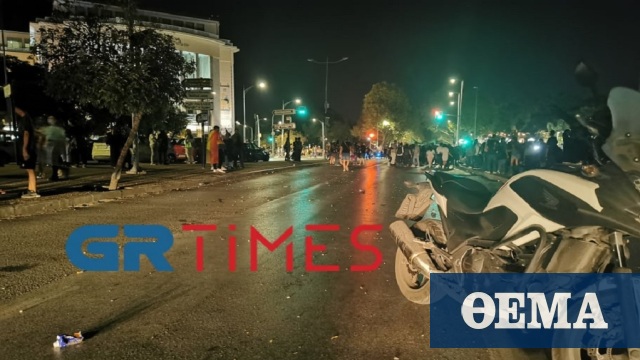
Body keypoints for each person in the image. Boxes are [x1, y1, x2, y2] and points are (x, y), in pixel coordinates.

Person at [15, 107, 40, 198]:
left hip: (29, 148)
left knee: (30, 169)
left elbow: (26, 134)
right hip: (31, 147)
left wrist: (24, 149)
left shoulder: (26, 120)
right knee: (29, 169)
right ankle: (31, 189)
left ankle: (33, 191)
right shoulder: (29, 120)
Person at [41, 116, 67, 181]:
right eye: (49, 119)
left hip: (53, 145)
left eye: (51, 119)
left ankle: (54, 175)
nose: (50, 120)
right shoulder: (54, 128)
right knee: (53, 160)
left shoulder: (55, 129)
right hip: (53, 145)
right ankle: (56, 173)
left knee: (53, 160)